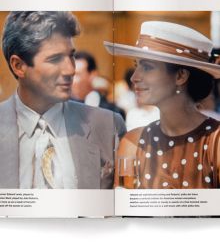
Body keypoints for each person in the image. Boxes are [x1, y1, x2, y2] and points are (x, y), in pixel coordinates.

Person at [0, 11, 126, 189]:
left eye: (71, 56)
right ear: (18, 66)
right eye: (55, 59)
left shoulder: (109, 126)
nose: (70, 70)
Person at [104, 21, 220, 189]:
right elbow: (124, 212)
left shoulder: (215, 144)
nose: (134, 77)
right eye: (137, 66)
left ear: (180, 76)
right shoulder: (132, 143)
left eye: (147, 67)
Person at [71, 50, 125, 119]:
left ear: (93, 75)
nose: (72, 80)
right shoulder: (62, 108)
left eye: (77, 75)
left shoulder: (113, 112)